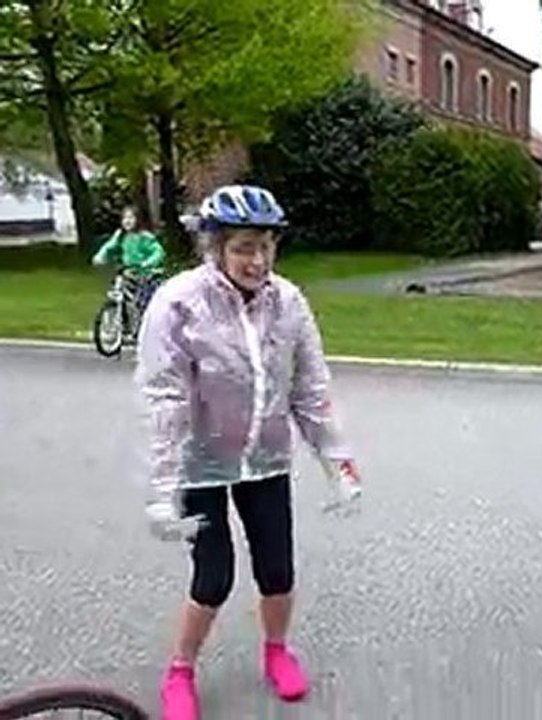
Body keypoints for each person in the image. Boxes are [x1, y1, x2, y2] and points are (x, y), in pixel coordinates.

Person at [134, 184, 362, 720]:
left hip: (265, 459)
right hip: (201, 462)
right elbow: (164, 399)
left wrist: (339, 465)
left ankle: (277, 652)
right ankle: (180, 671)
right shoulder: (179, 303)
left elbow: (311, 391)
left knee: (278, 570)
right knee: (213, 577)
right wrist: (163, 490)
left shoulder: (289, 303)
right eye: (242, 247)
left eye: (265, 246)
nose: (257, 260)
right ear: (215, 248)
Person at [91, 205, 165, 319]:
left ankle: (142, 318)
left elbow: (158, 252)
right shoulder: (121, 235)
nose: (127, 221)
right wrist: (100, 256)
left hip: (145, 273)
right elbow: (109, 246)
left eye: (131, 218)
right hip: (128, 271)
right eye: (125, 218)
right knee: (120, 289)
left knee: (143, 300)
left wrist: (148, 262)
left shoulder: (145, 237)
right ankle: (122, 317)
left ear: (138, 220)